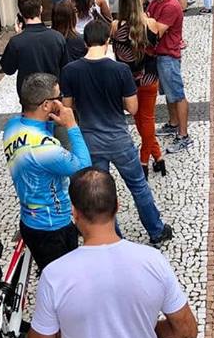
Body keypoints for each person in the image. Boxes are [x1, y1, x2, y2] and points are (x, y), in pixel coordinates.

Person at [28, 168, 197, 338]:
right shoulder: (154, 262)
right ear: (117, 206)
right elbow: (186, 330)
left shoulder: (55, 276)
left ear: (74, 212)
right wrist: (148, 327)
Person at [4, 72, 92, 338]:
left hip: (29, 220)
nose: (61, 100)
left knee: (49, 279)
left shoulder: (11, 128)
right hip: (55, 228)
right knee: (70, 301)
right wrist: (71, 124)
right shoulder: (45, 148)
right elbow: (84, 167)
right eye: (57, 96)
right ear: (45, 105)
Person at [60, 18, 172, 246]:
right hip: (119, 139)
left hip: (90, 140)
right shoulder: (120, 70)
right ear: (108, 41)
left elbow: (67, 107)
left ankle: (113, 238)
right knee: (138, 185)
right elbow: (133, 108)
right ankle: (156, 230)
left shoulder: (70, 71)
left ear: (85, 42)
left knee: (99, 192)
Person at [111, 0, 164, 177]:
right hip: (149, 78)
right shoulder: (151, 24)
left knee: (139, 119)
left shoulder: (115, 26)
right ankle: (157, 157)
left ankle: (144, 161)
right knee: (147, 119)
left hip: (128, 82)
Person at [147, 0, 192, 153]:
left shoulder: (171, 6)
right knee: (168, 93)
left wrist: (145, 20)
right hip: (159, 55)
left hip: (168, 56)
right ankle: (173, 123)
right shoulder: (155, 2)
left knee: (177, 94)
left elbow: (157, 31)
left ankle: (184, 135)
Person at [1, 0, 68, 95]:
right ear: (41, 9)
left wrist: (18, 35)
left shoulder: (16, 42)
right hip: (52, 94)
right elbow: (65, 68)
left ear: (21, 13)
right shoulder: (58, 37)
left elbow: (8, 69)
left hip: (29, 97)